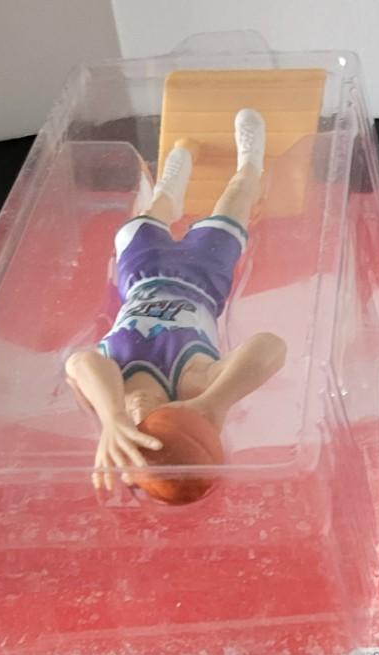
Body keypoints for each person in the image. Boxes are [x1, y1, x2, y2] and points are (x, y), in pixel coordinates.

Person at [66, 109, 286, 490]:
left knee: (145, 219)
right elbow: (272, 346)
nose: (138, 418)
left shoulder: (111, 389)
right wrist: (214, 404)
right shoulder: (194, 384)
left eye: (132, 434)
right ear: (177, 420)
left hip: (141, 274)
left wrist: (112, 415)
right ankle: (251, 166)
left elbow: (78, 362)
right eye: (149, 430)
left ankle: (172, 181)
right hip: (203, 276)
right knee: (236, 200)